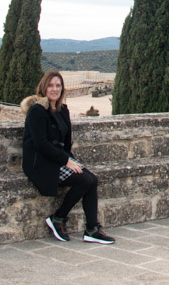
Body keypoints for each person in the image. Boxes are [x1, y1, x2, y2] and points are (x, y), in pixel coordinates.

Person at [20, 70, 115, 244]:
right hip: (41, 163)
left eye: (58, 85)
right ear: (44, 87)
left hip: (59, 159)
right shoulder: (37, 111)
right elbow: (41, 144)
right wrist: (66, 162)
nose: (54, 89)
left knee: (91, 179)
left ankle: (92, 229)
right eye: (50, 85)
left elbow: (66, 142)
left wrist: (71, 161)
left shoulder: (63, 110)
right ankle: (59, 218)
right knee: (85, 180)